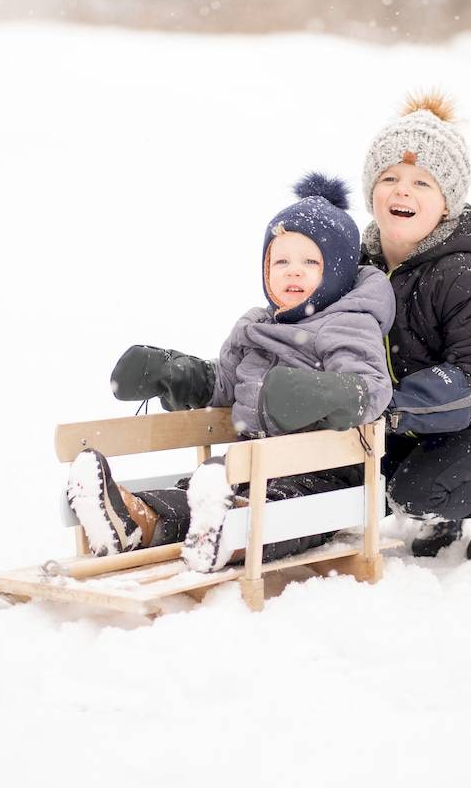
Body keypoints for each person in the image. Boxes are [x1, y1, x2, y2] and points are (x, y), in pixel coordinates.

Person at [66, 173, 395, 572]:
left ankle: (228, 534)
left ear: (338, 272)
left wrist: (314, 393)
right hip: (247, 467)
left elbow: (373, 391)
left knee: (278, 505)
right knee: (196, 493)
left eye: (311, 261)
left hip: (324, 473)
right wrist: (177, 374)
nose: (293, 271)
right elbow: (226, 383)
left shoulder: (348, 323)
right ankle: (135, 520)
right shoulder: (255, 325)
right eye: (281, 261)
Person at [359, 90, 471, 558]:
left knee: (410, 494)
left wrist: (391, 407)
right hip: (403, 422)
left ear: (446, 204)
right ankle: (437, 515)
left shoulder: (466, 275)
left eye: (422, 183)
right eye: (390, 177)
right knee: (361, 482)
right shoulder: (360, 271)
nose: (402, 190)